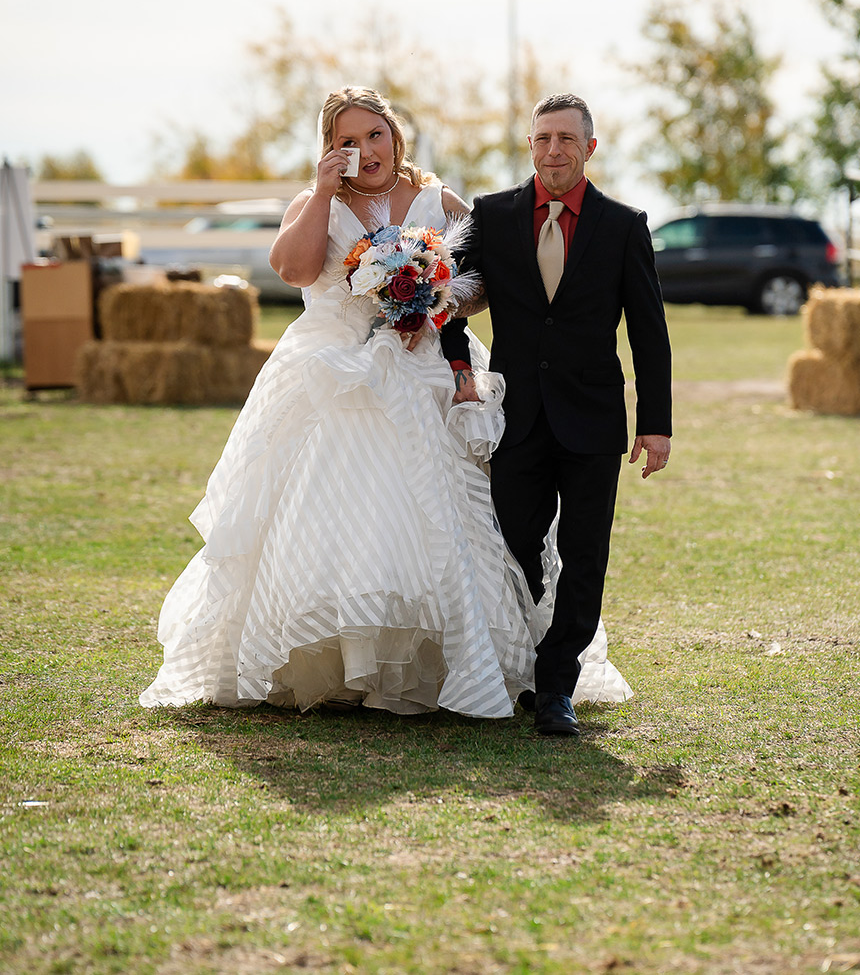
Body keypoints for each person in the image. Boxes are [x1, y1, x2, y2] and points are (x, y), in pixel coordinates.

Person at [140, 86, 631, 718]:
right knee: (336, 511)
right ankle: (334, 660)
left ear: (394, 136)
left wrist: (434, 296)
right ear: (331, 149)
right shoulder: (314, 201)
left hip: (426, 366)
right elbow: (293, 269)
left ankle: (454, 661)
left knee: (456, 516)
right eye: (347, 141)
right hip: (333, 374)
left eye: (375, 135)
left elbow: (480, 286)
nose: (365, 150)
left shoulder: (437, 200)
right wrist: (321, 193)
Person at [456, 92, 672, 736]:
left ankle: (555, 685)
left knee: (584, 554)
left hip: (594, 418)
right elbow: (445, 297)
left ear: (590, 147)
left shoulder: (624, 224)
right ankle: (522, 656)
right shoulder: (491, 216)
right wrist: (459, 367)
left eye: (567, 140)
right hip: (514, 415)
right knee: (514, 540)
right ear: (530, 145)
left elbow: (649, 330)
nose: (554, 150)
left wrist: (654, 423)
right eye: (543, 138)